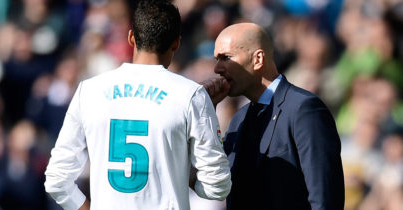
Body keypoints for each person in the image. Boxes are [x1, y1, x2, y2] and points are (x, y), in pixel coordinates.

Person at [44, 1, 232, 210]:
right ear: (177, 44)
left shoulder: (88, 91)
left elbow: (57, 181)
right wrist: (182, 170)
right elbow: (217, 186)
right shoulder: (191, 95)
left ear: (131, 37)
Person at [202, 23, 344, 210]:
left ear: (258, 59)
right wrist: (206, 112)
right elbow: (212, 181)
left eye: (226, 58)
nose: (217, 69)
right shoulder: (239, 120)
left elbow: (325, 199)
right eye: (216, 59)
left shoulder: (304, 109)